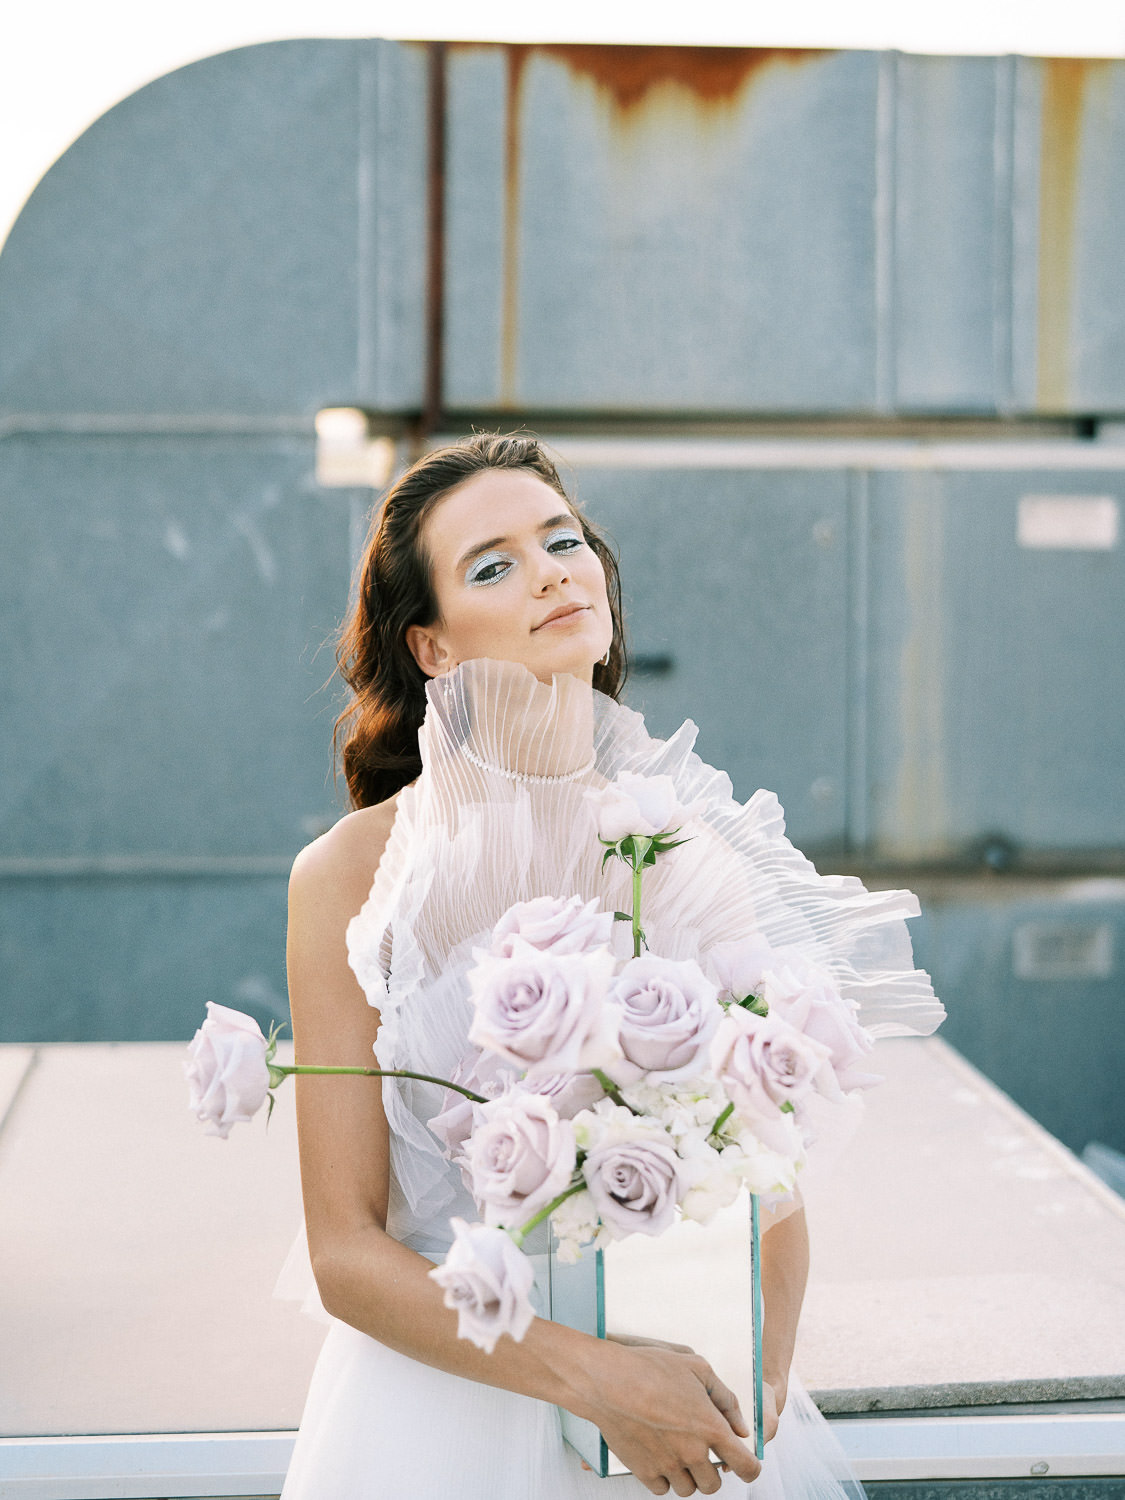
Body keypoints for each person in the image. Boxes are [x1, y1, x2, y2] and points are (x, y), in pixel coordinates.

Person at [279, 433, 941, 1499]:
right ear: (434, 648)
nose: (550, 572)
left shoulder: (690, 849)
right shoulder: (353, 876)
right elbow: (345, 1252)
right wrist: (594, 1383)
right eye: (492, 566)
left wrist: (745, 1400)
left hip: (681, 1401)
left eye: (563, 541)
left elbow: (772, 1198)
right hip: (446, 1414)